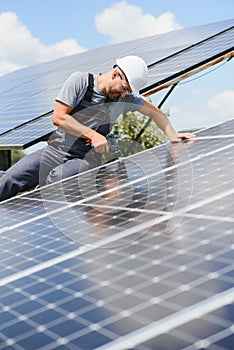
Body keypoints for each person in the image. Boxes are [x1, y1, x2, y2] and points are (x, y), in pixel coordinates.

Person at [0, 55, 195, 202]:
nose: (125, 94)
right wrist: (92, 134)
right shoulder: (81, 82)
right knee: (9, 179)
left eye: (129, 91)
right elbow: (59, 117)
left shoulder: (124, 98)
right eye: (125, 87)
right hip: (55, 150)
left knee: (58, 180)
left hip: (85, 159)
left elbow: (155, 112)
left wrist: (174, 135)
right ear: (116, 74)